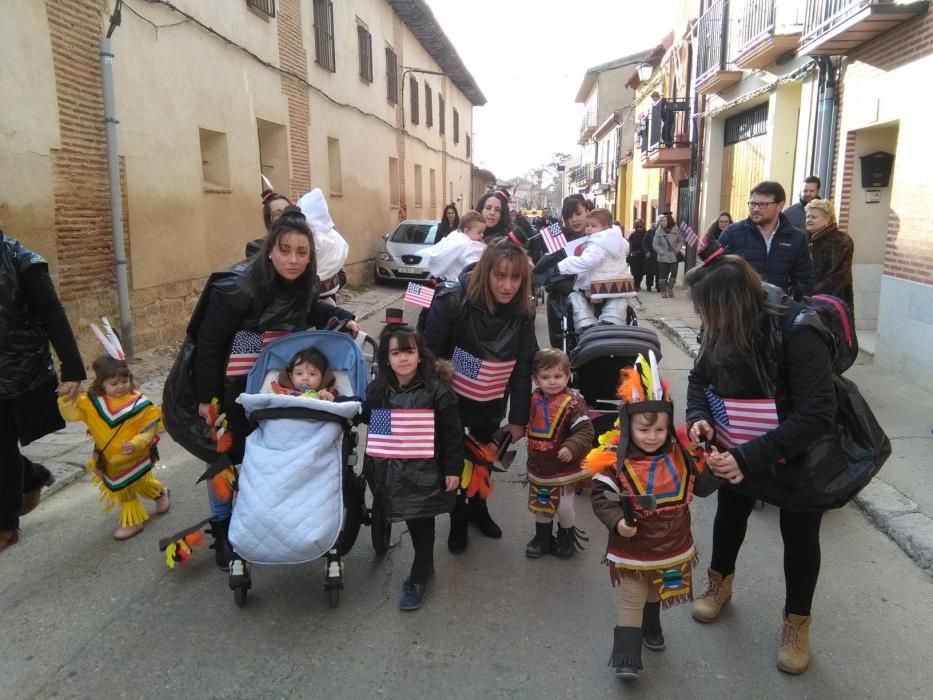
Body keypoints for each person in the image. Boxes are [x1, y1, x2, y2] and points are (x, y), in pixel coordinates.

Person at [685, 252, 836, 675]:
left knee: (800, 535)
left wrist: (747, 457)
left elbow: (817, 414)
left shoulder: (800, 330)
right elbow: (700, 378)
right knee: (729, 514)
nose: (702, 318)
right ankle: (719, 585)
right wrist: (698, 418)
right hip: (739, 446)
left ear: (731, 304)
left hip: (799, 453)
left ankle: (796, 624)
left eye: (705, 309)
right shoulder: (720, 323)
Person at [191, 208, 359, 567]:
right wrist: (206, 397)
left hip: (270, 391)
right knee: (225, 458)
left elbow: (314, 310)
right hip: (230, 386)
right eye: (285, 250)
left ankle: (266, 522)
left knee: (262, 461)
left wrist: (344, 321)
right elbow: (208, 344)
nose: (293, 260)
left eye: (302, 252)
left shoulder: (300, 288)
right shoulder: (235, 290)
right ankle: (223, 531)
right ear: (270, 250)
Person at [588, 354, 702, 681]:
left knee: (655, 591)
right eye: (644, 429)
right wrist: (616, 522)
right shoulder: (615, 460)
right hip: (632, 548)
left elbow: (704, 486)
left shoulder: (682, 455)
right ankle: (626, 655)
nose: (652, 436)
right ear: (628, 425)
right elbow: (600, 496)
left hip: (671, 546)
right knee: (631, 596)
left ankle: (653, 624)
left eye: (659, 429)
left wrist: (715, 462)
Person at [422, 238, 537, 553]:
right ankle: (458, 516)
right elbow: (430, 353)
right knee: (457, 460)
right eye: (500, 275)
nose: (507, 285)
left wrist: (518, 419)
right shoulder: (453, 301)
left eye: (515, 278)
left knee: (485, 457)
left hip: (492, 399)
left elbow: (523, 366)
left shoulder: (523, 312)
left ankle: (479, 508)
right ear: (486, 272)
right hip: (453, 397)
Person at [362, 321, 462, 610]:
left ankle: (421, 574)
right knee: (396, 510)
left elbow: (452, 434)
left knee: (421, 522)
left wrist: (452, 469)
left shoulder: (438, 392)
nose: (403, 358)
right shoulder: (379, 390)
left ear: (421, 355)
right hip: (389, 469)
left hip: (426, 471)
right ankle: (423, 567)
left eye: (409, 351)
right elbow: (370, 418)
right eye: (396, 353)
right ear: (386, 358)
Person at [0, 230, 86, 552]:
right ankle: (32, 475)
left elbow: (53, 314)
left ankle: (6, 525)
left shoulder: (23, 261)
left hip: (22, 370)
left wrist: (72, 369)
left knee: (3, 443)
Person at [58, 355, 169, 540]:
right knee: (138, 484)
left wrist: (136, 443)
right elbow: (72, 414)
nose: (120, 386)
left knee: (126, 488)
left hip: (134, 456)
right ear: (102, 384)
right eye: (114, 383)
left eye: (124, 381)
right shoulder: (91, 402)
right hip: (108, 457)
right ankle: (160, 493)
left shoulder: (141, 405)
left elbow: (150, 430)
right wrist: (64, 399)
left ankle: (133, 521)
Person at [524, 349, 594, 559]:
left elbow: (585, 430)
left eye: (558, 376)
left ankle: (566, 538)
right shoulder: (533, 399)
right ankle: (543, 540)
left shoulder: (574, 402)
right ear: (535, 379)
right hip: (540, 466)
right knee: (542, 505)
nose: (552, 382)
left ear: (568, 376)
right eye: (545, 377)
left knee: (564, 507)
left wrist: (571, 446)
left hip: (565, 468)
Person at [718, 181, 815, 297]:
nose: (756, 209)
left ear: (780, 205)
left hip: (780, 310)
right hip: (740, 309)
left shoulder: (796, 238)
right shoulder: (732, 233)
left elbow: (805, 280)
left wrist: (789, 303)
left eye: (763, 204)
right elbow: (716, 273)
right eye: (752, 204)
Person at [557, 208, 635, 329]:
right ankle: (613, 318)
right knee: (619, 300)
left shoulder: (597, 244)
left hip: (598, 286)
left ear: (606, 228)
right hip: (620, 286)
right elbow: (626, 251)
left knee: (575, 296)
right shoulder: (621, 241)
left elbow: (587, 262)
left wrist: (563, 265)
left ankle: (586, 322)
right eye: (587, 225)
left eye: (593, 226)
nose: (588, 229)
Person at [539, 193, 591, 348]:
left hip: (597, 300)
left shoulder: (600, 233)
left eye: (578, 213)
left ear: (587, 211)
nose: (574, 220)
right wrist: (575, 289)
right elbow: (545, 274)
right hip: (562, 305)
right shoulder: (556, 237)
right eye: (568, 216)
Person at [299, 189, 350, 304]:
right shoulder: (336, 236)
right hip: (329, 291)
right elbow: (342, 274)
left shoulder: (312, 237)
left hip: (311, 295)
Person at [805, 199, 854, 309]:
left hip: (831, 299)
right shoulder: (803, 238)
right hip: (805, 298)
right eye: (807, 217)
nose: (809, 220)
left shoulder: (841, 240)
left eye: (814, 217)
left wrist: (813, 293)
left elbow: (838, 275)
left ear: (827, 219)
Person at [419, 210, 486, 282]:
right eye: (479, 232)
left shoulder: (454, 237)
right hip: (458, 285)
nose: (482, 235)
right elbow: (473, 266)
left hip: (446, 281)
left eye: (483, 232)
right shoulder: (466, 245)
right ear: (466, 231)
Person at [271, 347, 336, 401]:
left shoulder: (326, 392)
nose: (305, 378)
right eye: (299, 373)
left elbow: (342, 405)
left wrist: (331, 398)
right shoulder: (282, 391)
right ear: (292, 378)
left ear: (322, 377)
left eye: (312, 374)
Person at [246, 187, 292, 258]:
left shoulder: (304, 241)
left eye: (288, 210)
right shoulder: (257, 247)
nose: (285, 216)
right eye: (278, 214)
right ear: (269, 220)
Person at [651, 212, 684, 298]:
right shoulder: (658, 232)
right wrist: (661, 251)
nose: (662, 222)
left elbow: (681, 241)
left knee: (674, 272)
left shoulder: (676, 231)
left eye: (664, 221)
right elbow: (655, 244)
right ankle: (663, 291)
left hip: (673, 255)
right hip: (662, 256)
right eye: (662, 221)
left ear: (669, 221)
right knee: (663, 274)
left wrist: (677, 250)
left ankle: (670, 288)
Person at [627, 219, 648, 291]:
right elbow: (629, 245)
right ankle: (635, 285)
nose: (639, 228)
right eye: (637, 227)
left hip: (643, 256)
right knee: (635, 272)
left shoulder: (646, 234)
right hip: (634, 257)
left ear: (643, 226)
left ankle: (637, 284)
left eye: (640, 226)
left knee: (641, 272)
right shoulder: (633, 235)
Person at [642, 221, 660, 292]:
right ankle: (649, 286)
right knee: (650, 272)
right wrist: (646, 251)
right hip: (651, 254)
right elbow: (644, 243)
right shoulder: (649, 233)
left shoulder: (662, 233)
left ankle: (658, 286)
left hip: (659, 254)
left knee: (659, 272)